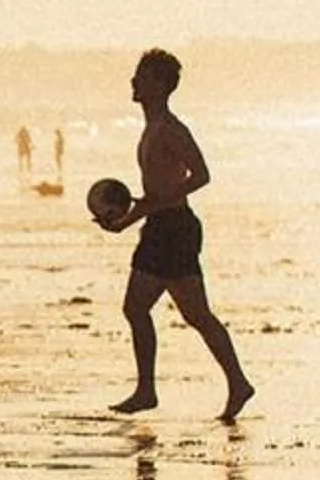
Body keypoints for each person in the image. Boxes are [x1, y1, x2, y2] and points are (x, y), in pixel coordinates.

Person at [104, 49, 254, 421]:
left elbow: (201, 175)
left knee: (142, 308)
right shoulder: (152, 128)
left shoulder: (170, 129)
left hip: (174, 228)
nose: (133, 81)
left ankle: (148, 391)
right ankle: (236, 383)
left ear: (159, 85)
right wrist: (123, 222)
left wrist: (157, 202)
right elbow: (154, 196)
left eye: (142, 76)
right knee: (193, 314)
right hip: (164, 225)